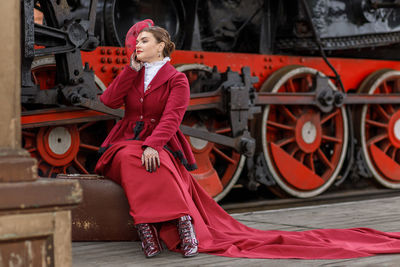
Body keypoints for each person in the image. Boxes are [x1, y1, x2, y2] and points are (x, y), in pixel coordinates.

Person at [95, 20, 400, 260]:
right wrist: (129, 71)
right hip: (126, 139)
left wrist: (154, 144)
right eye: (136, 43)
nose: (136, 46)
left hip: (158, 139)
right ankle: (147, 227)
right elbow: (109, 100)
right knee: (125, 158)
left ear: (161, 46)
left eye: (144, 41)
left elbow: (172, 118)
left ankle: (183, 224)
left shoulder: (177, 79)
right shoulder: (132, 73)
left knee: (159, 163)